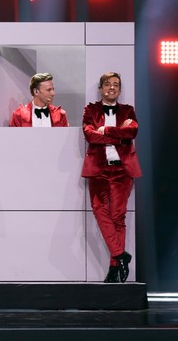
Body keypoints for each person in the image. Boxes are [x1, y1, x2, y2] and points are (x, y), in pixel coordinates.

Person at [82, 72, 141, 283]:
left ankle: (115, 266)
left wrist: (105, 129)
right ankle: (121, 255)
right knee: (100, 212)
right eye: (108, 84)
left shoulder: (128, 111)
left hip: (122, 171)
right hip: (98, 169)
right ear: (100, 88)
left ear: (120, 89)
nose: (112, 88)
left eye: (116, 85)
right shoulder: (90, 109)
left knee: (118, 217)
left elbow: (131, 133)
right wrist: (118, 132)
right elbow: (89, 135)